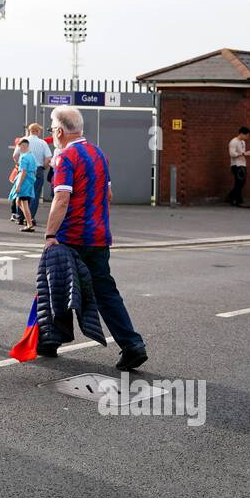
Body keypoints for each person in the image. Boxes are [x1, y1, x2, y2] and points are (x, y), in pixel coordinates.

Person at [42, 105, 148, 369]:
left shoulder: (65, 158)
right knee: (105, 292)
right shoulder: (99, 154)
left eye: (52, 128)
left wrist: (50, 234)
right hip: (99, 237)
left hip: (71, 236)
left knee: (56, 287)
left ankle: (50, 340)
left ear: (58, 131)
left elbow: (62, 198)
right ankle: (132, 344)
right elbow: (108, 195)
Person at [10, 138, 38, 231]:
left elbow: (23, 172)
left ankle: (29, 223)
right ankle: (29, 219)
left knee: (23, 202)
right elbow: (34, 170)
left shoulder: (24, 157)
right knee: (19, 201)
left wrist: (18, 185)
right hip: (30, 180)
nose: (19, 149)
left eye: (19, 146)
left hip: (24, 181)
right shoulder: (32, 156)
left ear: (23, 146)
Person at [226, 126, 250, 206]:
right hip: (236, 165)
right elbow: (232, 154)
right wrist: (242, 154)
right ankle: (237, 199)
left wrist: (247, 153)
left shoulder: (243, 142)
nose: (247, 138)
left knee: (242, 182)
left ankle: (231, 197)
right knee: (239, 182)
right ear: (242, 134)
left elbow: (242, 152)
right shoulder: (233, 142)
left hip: (242, 163)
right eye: (247, 135)